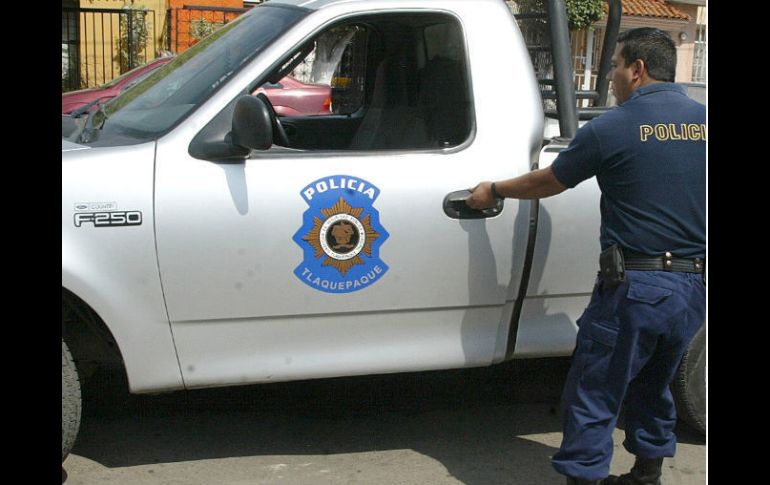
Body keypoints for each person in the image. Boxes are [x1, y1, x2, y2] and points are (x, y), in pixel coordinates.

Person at [467, 27, 705, 485]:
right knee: (654, 385)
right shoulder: (704, 122)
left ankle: (585, 477)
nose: (611, 75)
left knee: (596, 388)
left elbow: (550, 180)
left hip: (636, 288)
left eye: (615, 65)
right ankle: (646, 474)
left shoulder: (613, 127)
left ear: (637, 71)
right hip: (692, 289)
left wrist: (493, 190)